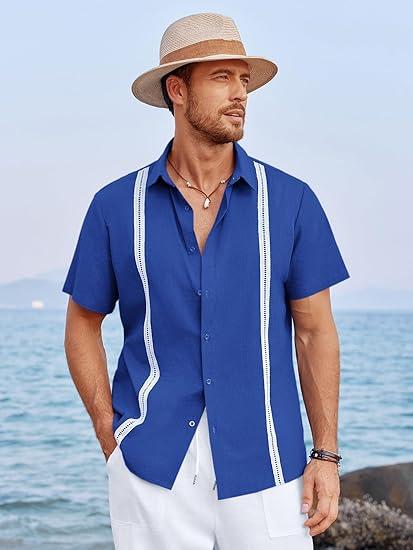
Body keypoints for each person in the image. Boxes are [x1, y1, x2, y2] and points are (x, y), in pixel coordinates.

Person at [62, 12, 350, 550]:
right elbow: (82, 323)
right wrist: (110, 436)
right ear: (177, 90)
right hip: (151, 466)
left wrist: (326, 454)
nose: (240, 94)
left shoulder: (291, 202)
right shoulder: (114, 207)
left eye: (244, 80)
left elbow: (315, 332)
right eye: (222, 78)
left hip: (269, 465)